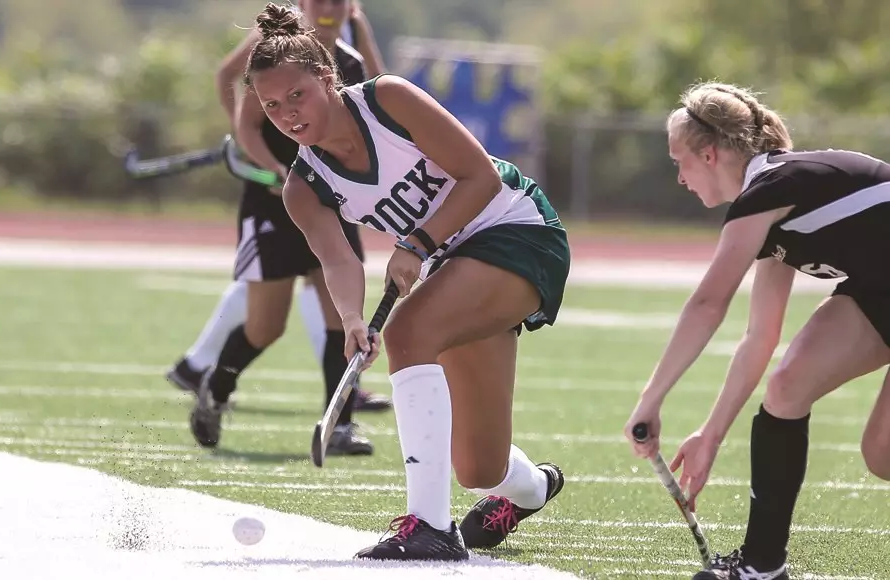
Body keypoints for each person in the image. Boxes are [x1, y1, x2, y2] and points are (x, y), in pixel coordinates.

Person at [244, 3, 571, 561]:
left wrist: (417, 242)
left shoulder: (387, 99)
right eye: (272, 106)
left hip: (518, 228)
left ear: (326, 78)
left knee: (408, 331)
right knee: (479, 468)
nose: (289, 115)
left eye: (297, 95)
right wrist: (350, 319)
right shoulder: (304, 188)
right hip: (457, 263)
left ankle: (430, 528)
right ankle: (536, 487)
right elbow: (340, 262)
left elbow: (481, 177)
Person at [624, 81, 890, 580]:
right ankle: (763, 567)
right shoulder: (769, 209)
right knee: (792, 388)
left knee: (883, 453)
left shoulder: (769, 189)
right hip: (881, 289)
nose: (679, 178)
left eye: (677, 160)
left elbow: (708, 303)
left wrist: (650, 398)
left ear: (708, 154)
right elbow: (759, 339)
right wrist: (711, 434)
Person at [182, 0, 390, 455]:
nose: (330, 8)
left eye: (341, 1)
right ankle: (215, 389)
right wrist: (275, 168)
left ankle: (339, 424)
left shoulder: (348, 65)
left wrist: (365, 31)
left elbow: (382, 99)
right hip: (273, 205)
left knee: (343, 312)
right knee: (265, 326)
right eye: (321, 0)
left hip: (329, 205)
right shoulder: (276, 61)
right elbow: (249, 125)